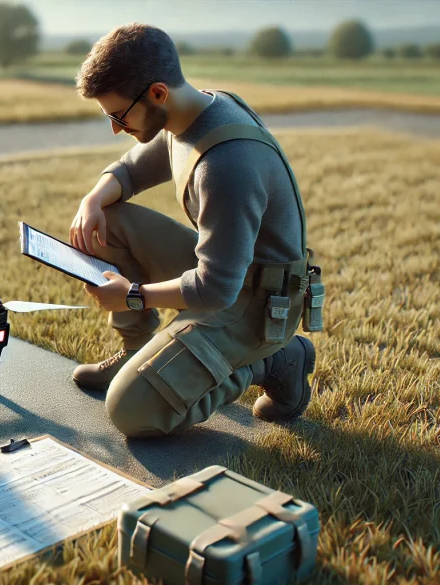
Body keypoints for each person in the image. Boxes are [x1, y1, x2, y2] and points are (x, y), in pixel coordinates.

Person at [67, 23, 325, 438]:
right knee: (109, 219)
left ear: (156, 93)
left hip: (255, 303)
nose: (115, 128)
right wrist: (94, 198)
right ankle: (136, 350)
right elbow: (139, 163)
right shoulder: (191, 111)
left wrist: (131, 296)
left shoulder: (227, 165)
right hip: (230, 268)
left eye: (118, 115)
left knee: (131, 411)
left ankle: (278, 359)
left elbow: (216, 290)